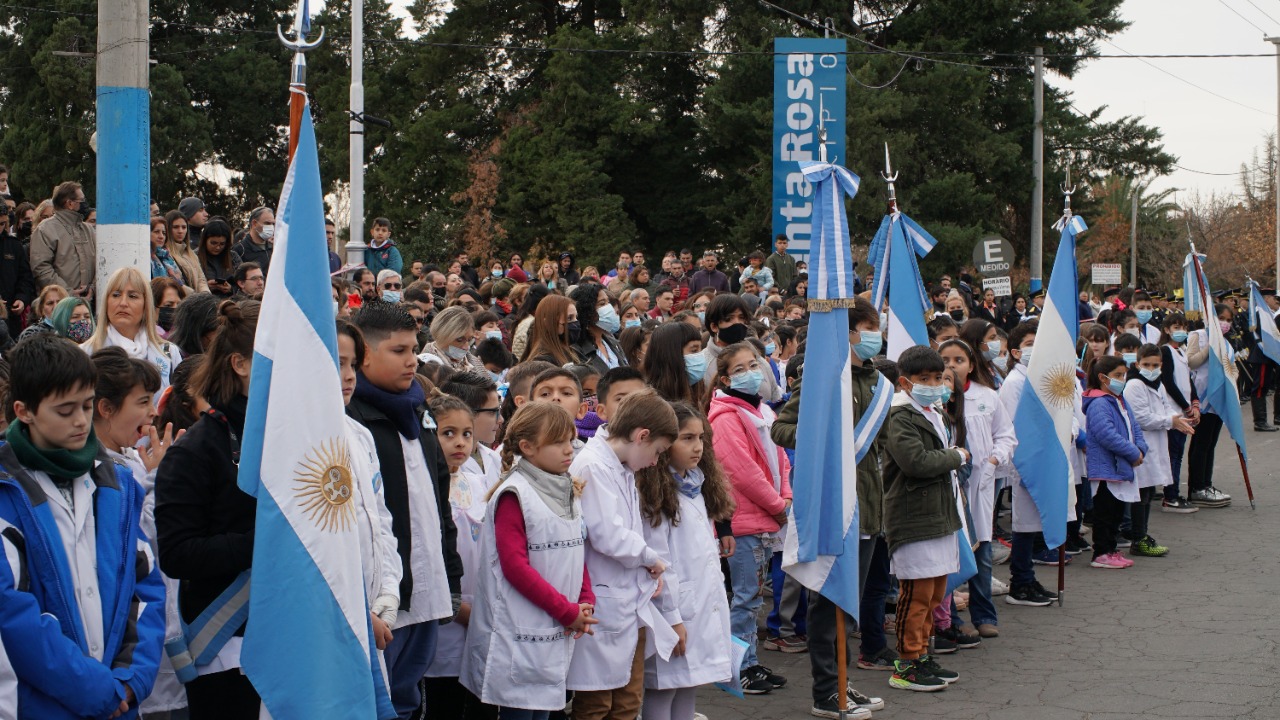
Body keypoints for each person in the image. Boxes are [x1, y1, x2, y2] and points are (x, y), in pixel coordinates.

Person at [0, 334, 165, 719]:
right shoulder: (7, 491)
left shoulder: (119, 484)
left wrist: (130, 680)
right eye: (64, 410)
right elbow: (13, 612)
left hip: (117, 698)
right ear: (24, 411)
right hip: (46, 705)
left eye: (88, 405)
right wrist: (90, 688)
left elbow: (144, 586)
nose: (80, 420)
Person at [770, 297, 892, 710]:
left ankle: (843, 680)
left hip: (870, 508)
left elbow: (884, 446)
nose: (876, 336)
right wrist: (825, 439)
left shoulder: (880, 385)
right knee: (828, 602)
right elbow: (782, 430)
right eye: (869, 328)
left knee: (849, 604)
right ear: (850, 333)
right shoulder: (822, 380)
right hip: (833, 509)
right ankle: (826, 691)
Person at [347, 301, 462, 719]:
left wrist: (450, 574)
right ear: (365, 354)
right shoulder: (350, 419)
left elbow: (438, 503)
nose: (412, 361)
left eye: (414, 349)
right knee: (378, 699)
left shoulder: (419, 410)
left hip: (425, 588)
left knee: (410, 698)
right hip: (386, 596)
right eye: (399, 351)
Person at [156, 301, 263, 717]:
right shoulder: (196, 450)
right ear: (239, 364)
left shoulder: (294, 439)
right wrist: (260, 544)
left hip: (290, 632)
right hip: (225, 645)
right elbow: (178, 553)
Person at [461, 403, 596, 720]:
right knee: (521, 713)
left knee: (542, 713)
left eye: (571, 440)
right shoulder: (514, 494)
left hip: (556, 626)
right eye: (558, 442)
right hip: (520, 635)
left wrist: (585, 599)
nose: (569, 449)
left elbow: (576, 549)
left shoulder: (566, 488)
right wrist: (566, 610)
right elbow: (515, 568)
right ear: (528, 447)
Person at [89, 347, 189, 718]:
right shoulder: (100, 471)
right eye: (142, 401)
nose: (152, 412)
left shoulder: (132, 458)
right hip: (128, 646)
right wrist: (158, 480)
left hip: (155, 641)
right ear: (106, 409)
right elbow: (143, 543)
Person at [568, 389, 678, 720]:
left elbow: (630, 529)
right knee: (597, 702)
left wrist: (647, 569)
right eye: (657, 451)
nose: (656, 461)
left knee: (628, 702)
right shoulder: (592, 465)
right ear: (641, 436)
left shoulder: (621, 466)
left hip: (627, 600)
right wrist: (650, 559)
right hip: (604, 600)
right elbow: (607, 533)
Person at [636, 403, 736, 720]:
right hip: (674, 612)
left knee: (688, 687)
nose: (697, 446)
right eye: (686, 438)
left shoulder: (695, 485)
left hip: (699, 605)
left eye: (701, 438)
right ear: (664, 444)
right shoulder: (657, 494)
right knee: (663, 689)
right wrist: (672, 618)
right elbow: (660, 562)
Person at [881, 346, 967, 692]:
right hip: (914, 515)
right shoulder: (901, 416)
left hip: (939, 514)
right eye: (924, 379)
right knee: (915, 595)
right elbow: (915, 462)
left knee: (934, 594)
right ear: (905, 382)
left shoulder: (935, 413)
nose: (933, 384)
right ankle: (906, 661)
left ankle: (921, 655)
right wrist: (955, 456)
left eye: (937, 378)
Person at [707, 343, 791, 695]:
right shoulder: (726, 417)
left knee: (753, 595)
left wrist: (784, 494)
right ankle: (735, 668)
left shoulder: (762, 412)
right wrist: (777, 505)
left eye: (753, 364)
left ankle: (750, 662)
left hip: (764, 518)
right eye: (740, 369)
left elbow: (781, 457)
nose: (750, 372)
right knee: (746, 597)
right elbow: (740, 471)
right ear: (725, 378)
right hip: (745, 520)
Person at [336, 318, 403, 672]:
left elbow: (379, 521)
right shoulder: (295, 443)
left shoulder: (360, 435)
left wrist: (390, 586)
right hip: (336, 621)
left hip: (374, 611)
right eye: (337, 363)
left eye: (352, 364)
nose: (349, 376)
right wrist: (358, 614)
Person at [938, 338, 1015, 639]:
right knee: (951, 553)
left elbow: (1006, 435)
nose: (952, 366)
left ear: (971, 365)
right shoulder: (937, 400)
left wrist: (995, 459)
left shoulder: (987, 396)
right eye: (945, 360)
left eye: (959, 360)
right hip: (950, 488)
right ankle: (952, 619)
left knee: (981, 551)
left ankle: (984, 614)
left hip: (981, 485)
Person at [996, 320, 1058, 606]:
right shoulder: (1015, 382)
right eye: (1029, 345)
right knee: (1023, 524)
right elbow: (1012, 427)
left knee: (1033, 523)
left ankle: (1027, 577)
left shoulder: (1039, 378)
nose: (1036, 350)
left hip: (1042, 458)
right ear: (1016, 352)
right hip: (1025, 461)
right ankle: (1019, 583)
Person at [1123, 344, 1193, 558]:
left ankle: (1142, 535)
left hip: (1157, 442)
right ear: (1137, 364)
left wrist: (1176, 418)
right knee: (1141, 493)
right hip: (1143, 444)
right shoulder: (1135, 384)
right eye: (1146, 364)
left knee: (1149, 490)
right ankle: (1138, 537)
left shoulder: (1158, 383)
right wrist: (1169, 421)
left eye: (1155, 365)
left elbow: (1165, 406)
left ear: (1161, 365)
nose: (1151, 368)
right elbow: (1141, 418)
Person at [1083, 356, 1147, 569]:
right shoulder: (1099, 403)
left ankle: (1111, 549)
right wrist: (1132, 452)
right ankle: (1101, 551)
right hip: (1106, 468)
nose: (1123, 379)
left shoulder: (1119, 399)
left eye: (1124, 375)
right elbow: (1106, 434)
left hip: (1120, 466)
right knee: (1105, 512)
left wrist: (1140, 449)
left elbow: (1134, 426)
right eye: (1118, 375)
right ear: (1103, 378)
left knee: (1117, 511)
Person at [82, 267, 183, 398]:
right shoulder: (85, 354)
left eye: (133, 296)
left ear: (146, 304)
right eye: (116, 295)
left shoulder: (168, 352)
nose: (123, 303)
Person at [1184, 304, 1234, 507]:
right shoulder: (1198, 335)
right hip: (1202, 398)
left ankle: (1206, 483)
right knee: (1201, 444)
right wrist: (1210, 346)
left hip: (1218, 399)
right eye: (1222, 318)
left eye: (1229, 320)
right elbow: (1191, 362)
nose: (1225, 323)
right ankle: (1197, 488)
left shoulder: (1227, 343)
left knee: (1210, 444)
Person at [1157, 313, 1200, 512]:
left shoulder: (1181, 351)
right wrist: (1185, 406)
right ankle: (1170, 496)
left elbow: (1188, 380)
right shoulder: (1165, 351)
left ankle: (1173, 493)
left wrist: (1195, 402)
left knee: (1177, 453)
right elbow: (1168, 382)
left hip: (1184, 410)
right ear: (1167, 330)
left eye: (1183, 327)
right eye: (1176, 327)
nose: (1180, 331)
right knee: (1173, 454)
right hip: (1174, 411)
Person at [29, 181, 95, 296]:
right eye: (82, 200)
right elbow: (41, 268)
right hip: (59, 303)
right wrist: (66, 292)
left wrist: (93, 288)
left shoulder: (88, 230)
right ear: (70, 203)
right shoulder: (45, 230)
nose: (85, 204)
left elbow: (100, 262)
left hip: (89, 301)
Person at [645, 321, 706, 407]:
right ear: (672, 355)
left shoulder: (697, 396)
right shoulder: (654, 407)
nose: (700, 355)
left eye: (701, 349)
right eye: (694, 350)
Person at [571, 283, 627, 373]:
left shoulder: (612, 342)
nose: (609, 308)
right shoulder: (576, 350)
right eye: (602, 304)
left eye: (608, 302)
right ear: (587, 310)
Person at [420, 305, 485, 373]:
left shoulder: (475, 363)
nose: (466, 347)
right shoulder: (425, 367)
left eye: (469, 340)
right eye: (459, 340)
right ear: (441, 335)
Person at [523, 295, 582, 366]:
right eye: (569, 318)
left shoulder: (572, 350)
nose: (576, 322)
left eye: (576, 317)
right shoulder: (543, 361)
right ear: (548, 322)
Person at [0, 209, 34, 319]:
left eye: (1, 224)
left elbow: (25, 278)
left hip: (10, 314)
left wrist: (21, 298)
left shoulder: (14, 246)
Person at [164, 209, 209, 292]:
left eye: (184, 227)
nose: (180, 231)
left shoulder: (192, 254)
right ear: (167, 229)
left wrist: (205, 295)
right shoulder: (165, 254)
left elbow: (201, 280)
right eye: (175, 227)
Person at [197, 217, 240, 297]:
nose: (218, 247)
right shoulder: (194, 257)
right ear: (204, 240)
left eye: (222, 244)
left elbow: (244, 282)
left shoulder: (233, 257)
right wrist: (204, 287)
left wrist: (231, 289)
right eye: (213, 243)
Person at [233, 207, 274, 277]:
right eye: (267, 223)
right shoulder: (240, 249)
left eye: (273, 224)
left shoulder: (274, 248)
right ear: (254, 223)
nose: (271, 227)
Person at [150, 217, 185, 285]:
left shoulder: (167, 256)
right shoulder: (145, 258)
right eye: (157, 232)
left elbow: (181, 282)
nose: (161, 236)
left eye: (164, 233)